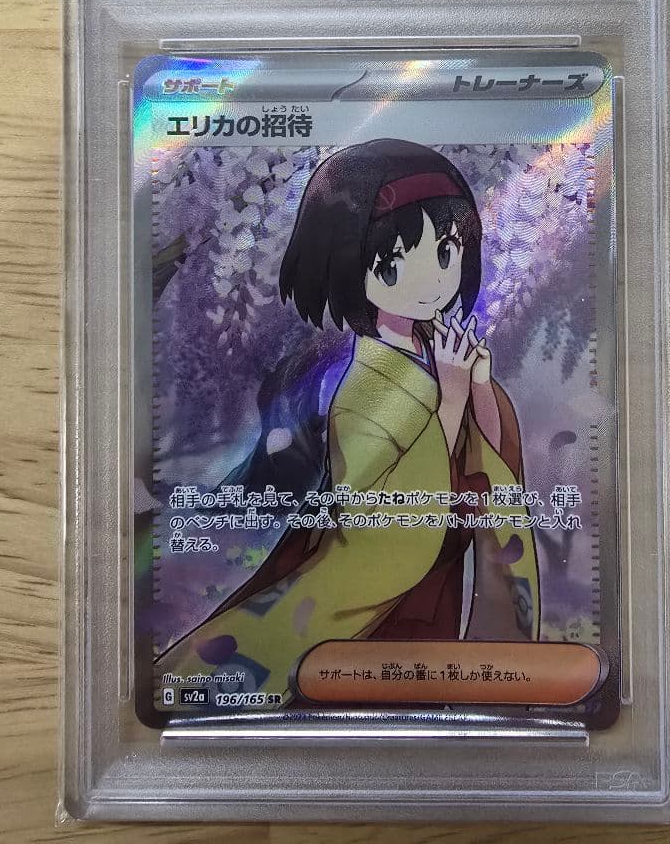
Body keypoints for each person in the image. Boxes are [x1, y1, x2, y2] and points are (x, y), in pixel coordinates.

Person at [155, 138, 540, 703]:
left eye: (445, 253)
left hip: (439, 570)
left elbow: (491, 456)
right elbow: (378, 520)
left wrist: (477, 386)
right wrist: (452, 397)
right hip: (385, 590)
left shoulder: (443, 353)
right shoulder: (362, 389)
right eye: (393, 265)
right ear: (349, 268)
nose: (432, 281)